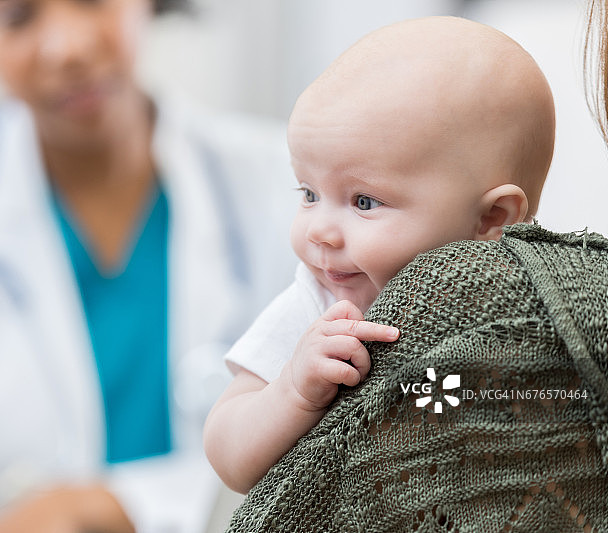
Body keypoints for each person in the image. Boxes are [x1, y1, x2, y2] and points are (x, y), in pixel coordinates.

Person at [0, 0, 298, 532]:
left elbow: (375, 429)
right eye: (16, 17)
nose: (69, 47)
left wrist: (110, 506)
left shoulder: (291, 189)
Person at [203, 16, 556, 494]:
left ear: (492, 218)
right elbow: (226, 451)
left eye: (363, 202)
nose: (320, 230)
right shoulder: (321, 306)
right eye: (308, 193)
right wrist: (293, 391)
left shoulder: (536, 308)